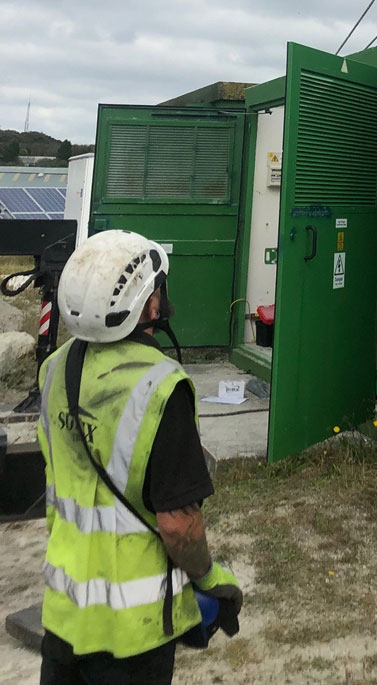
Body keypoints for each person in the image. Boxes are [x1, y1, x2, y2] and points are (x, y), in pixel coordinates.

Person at [36, 230, 243, 684]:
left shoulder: (53, 372)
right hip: (132, 639)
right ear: (150, 307)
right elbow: (178, 526)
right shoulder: (160, 388)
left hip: (63, 619)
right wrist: (210, 579)